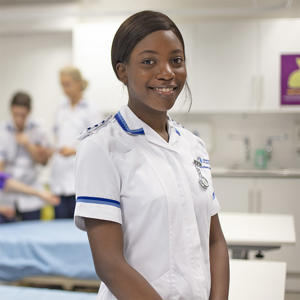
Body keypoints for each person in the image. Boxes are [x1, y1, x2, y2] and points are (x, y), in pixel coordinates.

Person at [74, 10, 229, 300]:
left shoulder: (193, 146)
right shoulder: (101, 147)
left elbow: (214, 241)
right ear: (122, 71)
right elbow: (109, 264)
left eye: (176, 60)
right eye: (149, 62)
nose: (167, 72)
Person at [50, 66, 102, 219]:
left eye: (67, 84)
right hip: (59, 181)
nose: (64, 89)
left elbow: (97, 144)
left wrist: (73, 151)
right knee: (58, 229)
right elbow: (57, 138)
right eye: (62, 85)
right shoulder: (60, 108)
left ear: (79, 83)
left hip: (79, 182)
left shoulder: (91, 109)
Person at [0, 92, 51, 221]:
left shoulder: (38, 130)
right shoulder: (2, 130)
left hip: (31, 200)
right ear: (11, 110)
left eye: (22, 115)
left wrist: (28, 145)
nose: (18, 119)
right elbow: (2, 177)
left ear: (29, 112)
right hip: (7, 198)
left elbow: (44, 161)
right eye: (15, 115)